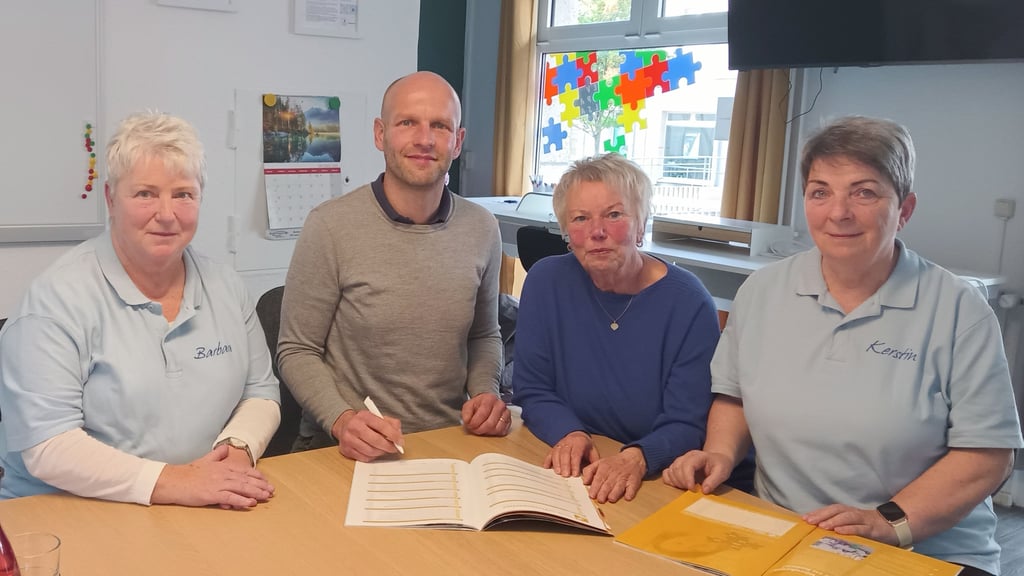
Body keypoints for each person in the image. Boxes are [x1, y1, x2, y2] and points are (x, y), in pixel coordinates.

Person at [662, 116, 1023, 576]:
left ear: (905, 209)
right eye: (820, 191)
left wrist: (887, 522)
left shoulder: (959, 310)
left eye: (864, 192)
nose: (839, 212)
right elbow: (734, 396)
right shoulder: (762, 291)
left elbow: (987, 457)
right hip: (784, 537)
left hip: (923, 552)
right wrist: (718, 454)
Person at [0, 112, 281, 508]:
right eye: (145, 194)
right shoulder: (55, 301)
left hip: (194, 503)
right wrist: (176, 482)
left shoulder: (226, 286)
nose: (166, 214)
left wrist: (235, 453)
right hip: (64, 510)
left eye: (183, 194)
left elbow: (261, 390)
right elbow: (49, 446)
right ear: (111, 199)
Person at [277, 71, 509, 462]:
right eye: (408, 123)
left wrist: (487, 392)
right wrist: (341, 419)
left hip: (451, 442)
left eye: (440, 125)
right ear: (380, 134)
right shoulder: (330, 226)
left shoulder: (483, 228)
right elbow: (296, 349)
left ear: (458, 142)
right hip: (345, 448)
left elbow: (485, 335)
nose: (424, 139)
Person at [512, 153, 725, 504]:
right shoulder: (545, 281)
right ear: (567, 234)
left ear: (641, 225)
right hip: (580, 472)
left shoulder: (688, 303)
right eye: (580, 218)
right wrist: (569, 433)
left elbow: (688, 423)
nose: (597, 232)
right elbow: (532, 389)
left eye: (614, 215)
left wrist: (637, 458)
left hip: (657, 477)